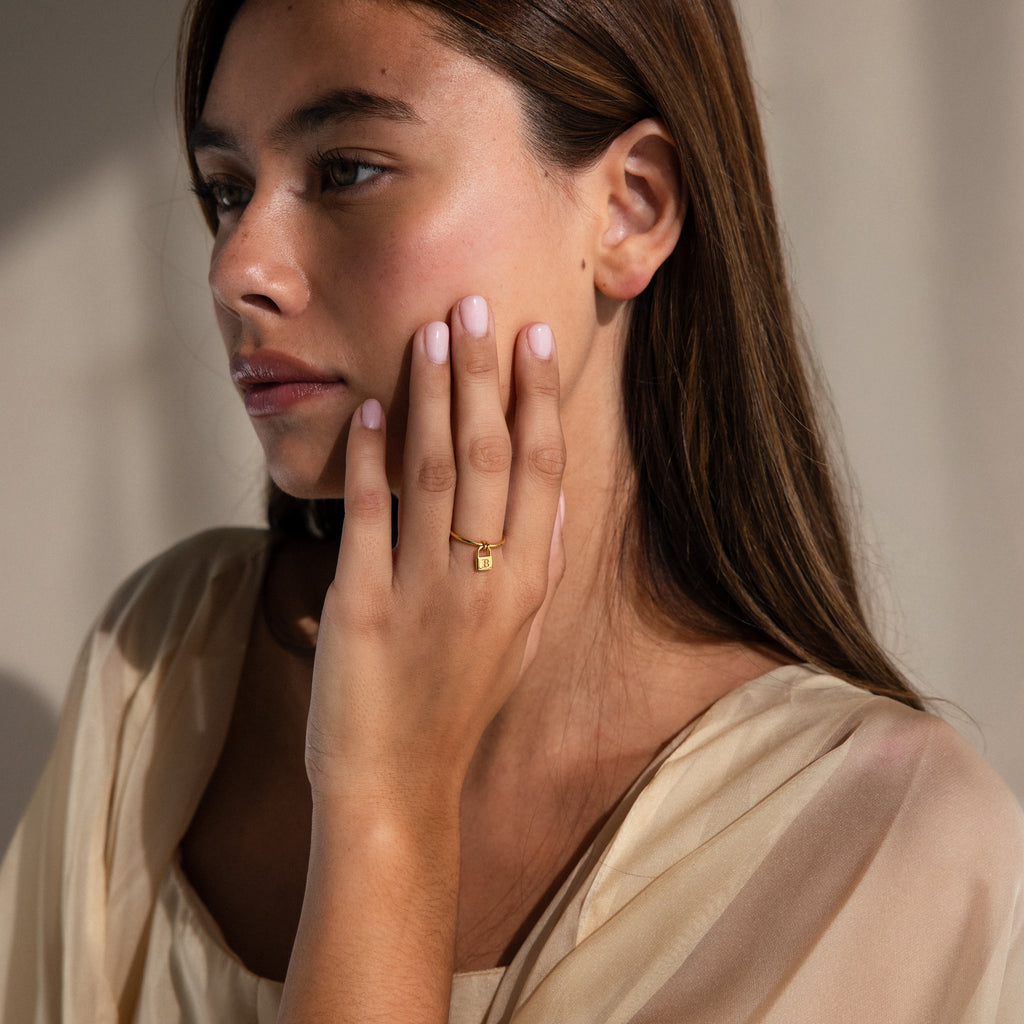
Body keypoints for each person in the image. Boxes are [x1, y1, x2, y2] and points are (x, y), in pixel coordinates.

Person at [1, 0, 1022, 1020]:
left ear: (630, 207)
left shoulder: (886, 843)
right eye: (226, 189)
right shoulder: (165, 668)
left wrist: (387, 808)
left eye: (347, 169)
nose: (236, 269)